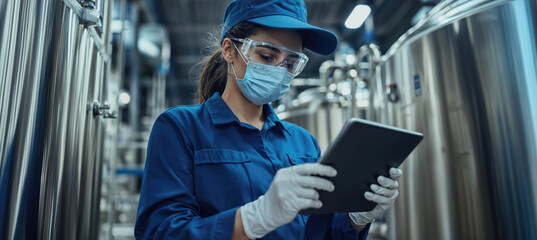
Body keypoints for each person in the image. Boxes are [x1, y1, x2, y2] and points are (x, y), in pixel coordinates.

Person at [134, 0, 402, 239]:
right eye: (267, 56)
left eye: (289, 62)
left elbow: (318, 232)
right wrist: (253, 219)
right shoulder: (181, 128)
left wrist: (355, 218)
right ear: (229, 50)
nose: (279, 70)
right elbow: (159, 230)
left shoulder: (303, 142)